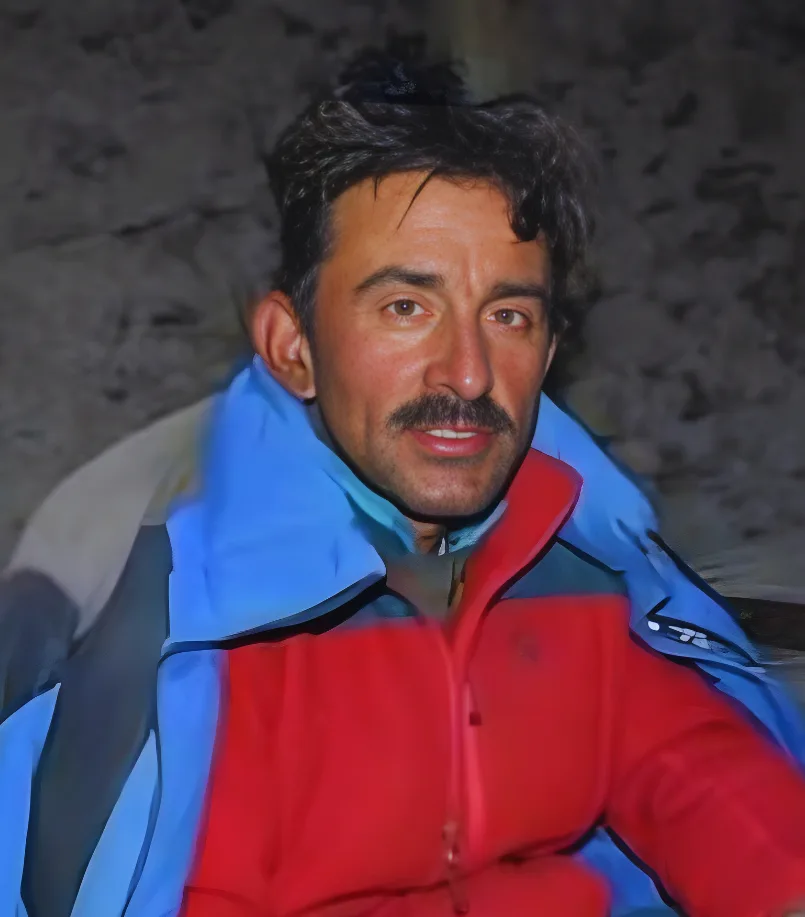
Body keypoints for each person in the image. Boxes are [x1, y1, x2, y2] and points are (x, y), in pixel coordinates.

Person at [2, 43, 805, 917]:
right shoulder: (201, 642)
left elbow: (691, 769)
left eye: (508, 315)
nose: (467, 372)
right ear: (292, 347)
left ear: (548, 352)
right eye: (405, 307)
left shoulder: (570, 555)